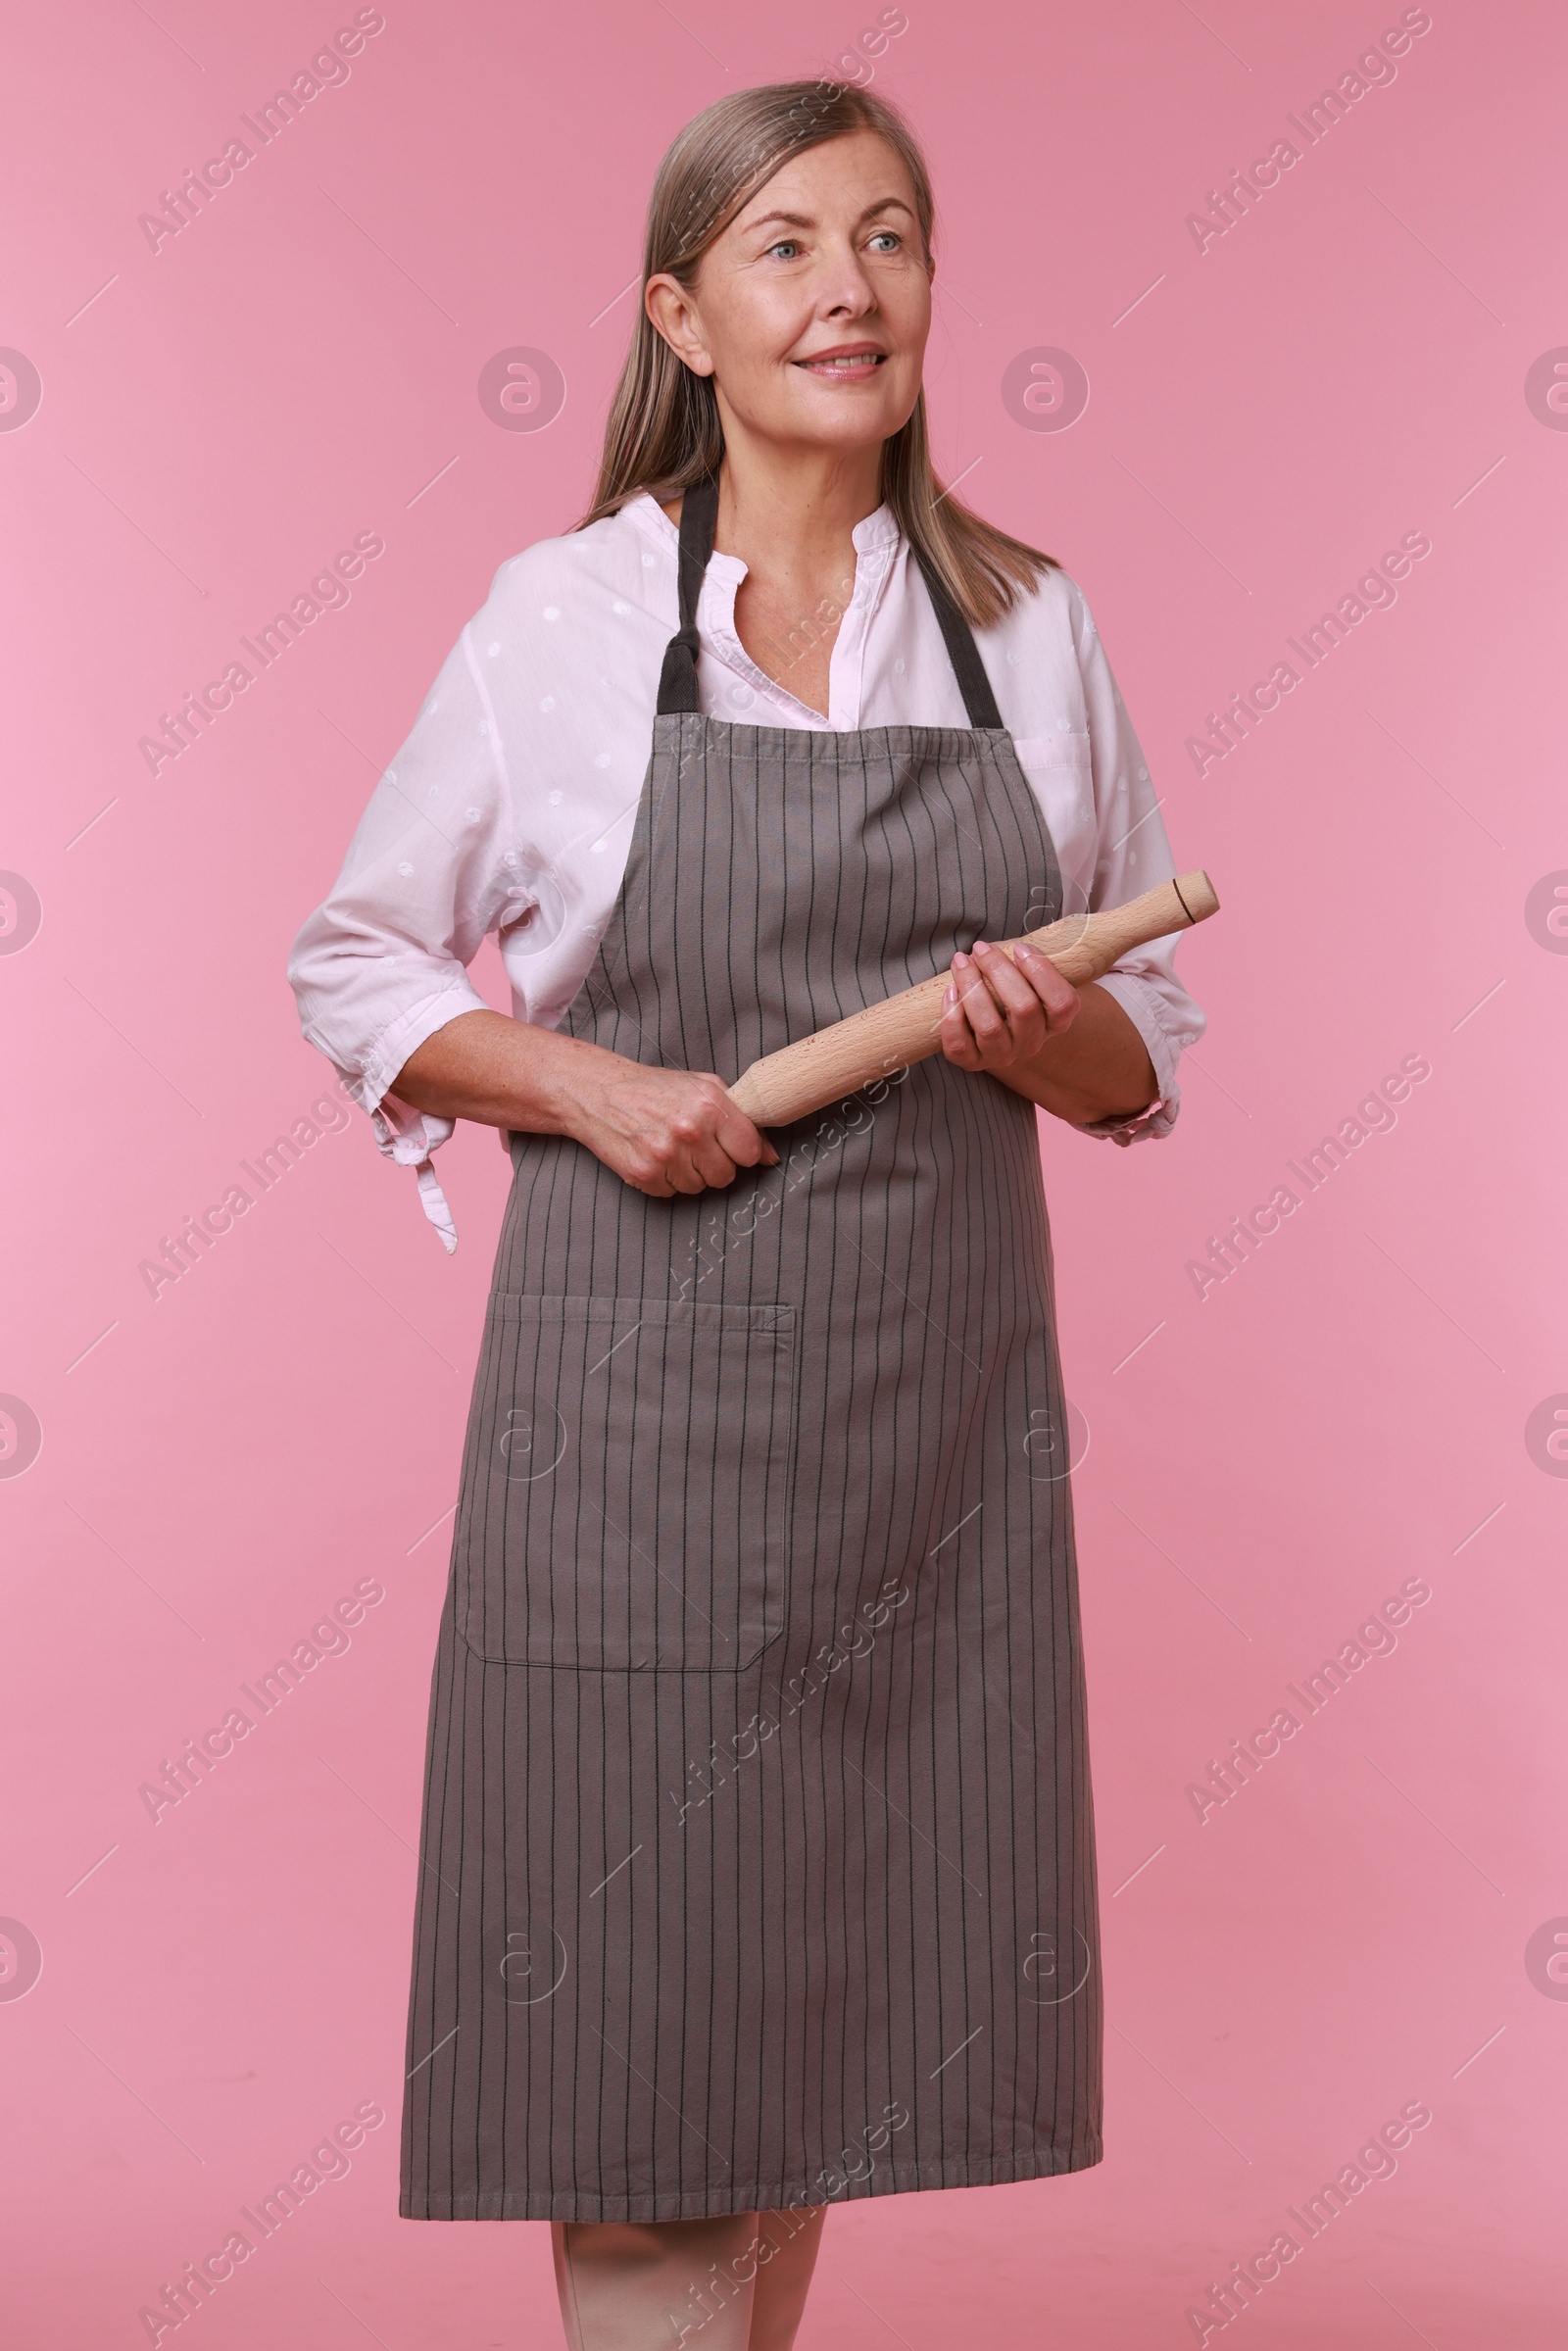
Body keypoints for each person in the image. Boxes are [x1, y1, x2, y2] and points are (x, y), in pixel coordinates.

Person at [288, 77, 1205, 2351]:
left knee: (800, 2082)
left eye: (887, 239)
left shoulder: (1026, 625)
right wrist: (585, 1084)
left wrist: (1024, 1029)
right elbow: (358, 964)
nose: (849, 287)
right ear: (680, 315)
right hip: (629, 1443)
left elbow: (1142, 1048)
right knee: (636, 2088)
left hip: (929, 1445)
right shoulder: (563, 622)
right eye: (787, 245)